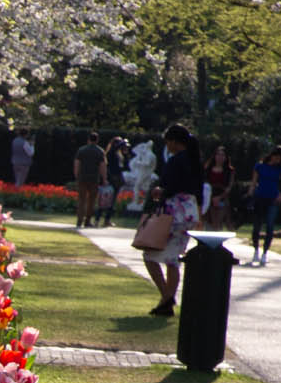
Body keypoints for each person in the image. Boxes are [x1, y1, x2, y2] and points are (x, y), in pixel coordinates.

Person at [141, 123, 204, 315]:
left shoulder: (176, 161)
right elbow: (198, 190)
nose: (167, 145)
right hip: (190, 212)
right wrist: (199, 215)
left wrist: (160, 191)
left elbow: (171, 186)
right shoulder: (195, 161)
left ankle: (167, 296)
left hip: (174, 212)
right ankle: (165, 303)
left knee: (149, 255)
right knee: (172, 259)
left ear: (175, 142)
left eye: (168, 142)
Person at [249, 145, 281, 265]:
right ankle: (256, 250)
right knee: (256, 226)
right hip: (260, 197)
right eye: (276, 157)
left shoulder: (280, 169)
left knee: (270, 225)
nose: (277, 160)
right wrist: (250, 194)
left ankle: (265, 253)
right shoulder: (260, 166)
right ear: (272, 155)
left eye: (280, 158)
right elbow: (253, 182)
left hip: (273, 199)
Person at [73, 131, 106, 226]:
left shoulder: (81, 150)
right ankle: (87, 221)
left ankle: (79, 220)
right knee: (91, 201)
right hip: (94, 178)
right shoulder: (100, 151)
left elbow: (77, 164)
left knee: (81, 200)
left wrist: (76, 175)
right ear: (97, 140)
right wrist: (104, 178)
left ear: (88, 139)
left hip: (82, 177)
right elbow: (103, 166)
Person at [97, 137, 130, 226]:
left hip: (118, 179)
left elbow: (124, 166)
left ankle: (107, 219)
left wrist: (125, 153)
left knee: (112, 201)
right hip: (111, 179)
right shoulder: (110, 153)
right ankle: (97, 219)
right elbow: (108, 166)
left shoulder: (120, 154)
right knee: (104, 200)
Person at [202, 144, 236, 227]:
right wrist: (210, 198)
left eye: (222, 155)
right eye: (218, 154)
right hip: (209, 196)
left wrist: (219, 197)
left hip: (222, 197)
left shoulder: (230, 171)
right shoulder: (207, 169)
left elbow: (229, 186)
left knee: (218, 221)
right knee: (206, 221)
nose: (220, 157)